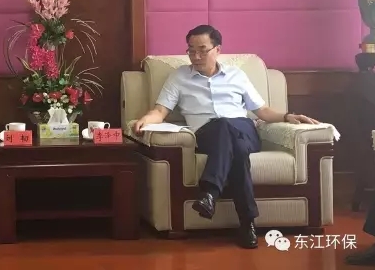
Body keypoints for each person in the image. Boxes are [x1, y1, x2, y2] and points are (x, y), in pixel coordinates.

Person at [133, 25, 319, 249]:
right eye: (191, 50)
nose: (196, 56)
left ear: (217, 49)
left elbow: (262, 111)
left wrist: (288, 116)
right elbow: (160, 110)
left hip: (243, 129)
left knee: (227, 127)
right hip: (206, 134)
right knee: (235, 147)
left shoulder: (236, 75)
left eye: (202, 50)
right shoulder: (179, 77)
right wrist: (145, 120)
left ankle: (210, 193)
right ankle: (247, 223)